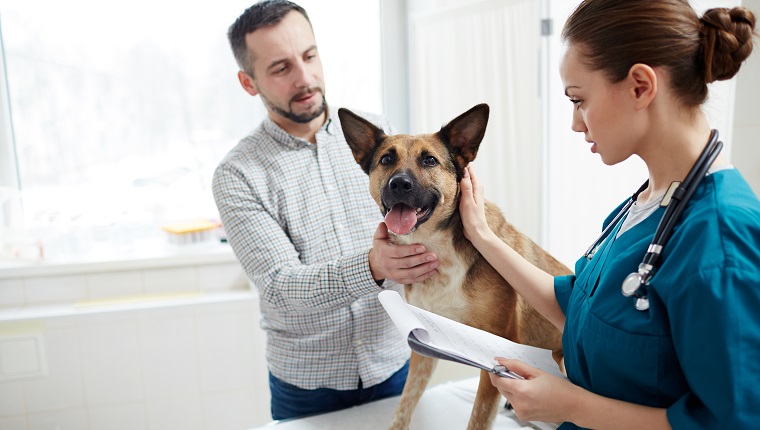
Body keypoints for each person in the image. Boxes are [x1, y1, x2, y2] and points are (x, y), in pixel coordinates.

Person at [459, 0, 760, 429]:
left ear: (640, 86)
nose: (576, 124)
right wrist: (482, 236)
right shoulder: (647, 203)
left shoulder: (720, 239)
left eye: (579, 100)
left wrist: (569, 406)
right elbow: (576, 307)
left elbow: (733, 423)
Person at [212, 0, 440, 421]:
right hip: (308, 387)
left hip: (393, 362)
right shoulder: (237, 174)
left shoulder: (379, 138)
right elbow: (280, 287)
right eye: (281, 68)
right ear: (249, 82)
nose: (305, 78)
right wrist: (373, 265)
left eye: (310, 56)